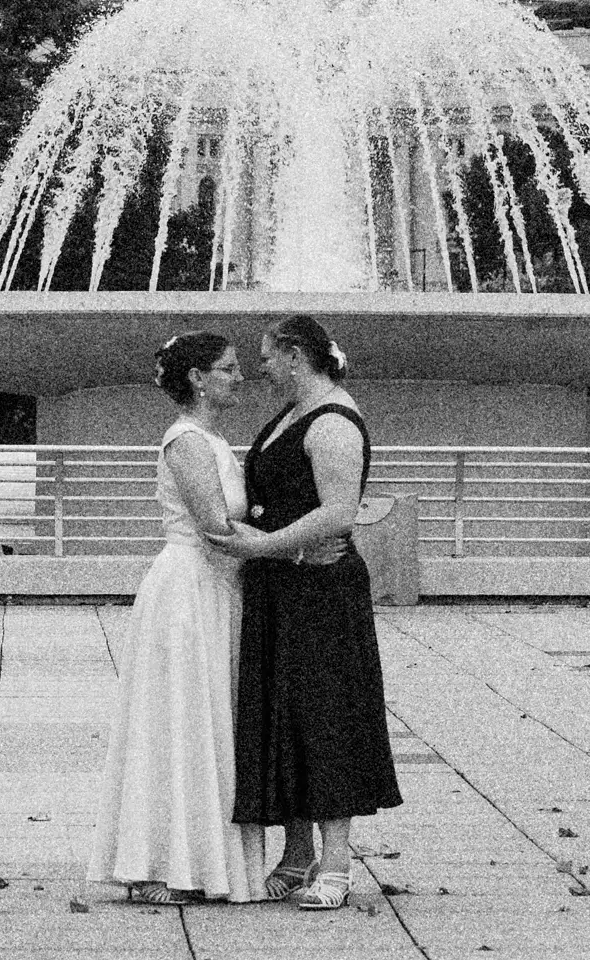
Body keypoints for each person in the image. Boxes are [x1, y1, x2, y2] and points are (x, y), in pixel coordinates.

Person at [215, 312, 402, 912]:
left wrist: (262, 544)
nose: (261, 368)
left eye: (267, 357)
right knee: (281, 714)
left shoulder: (334, 421)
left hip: (321, 591)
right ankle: (296, 855)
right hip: (280, 586)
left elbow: (340, 512)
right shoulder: (291, 417)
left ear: (296, 356)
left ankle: (338, 864)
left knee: (325, 715)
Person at [88, 331, 265, 906]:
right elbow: (214, 526)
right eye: (228, 368)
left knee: (207, 717)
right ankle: (163, 862)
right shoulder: (186, 441)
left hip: (217, 586)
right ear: (196, 378)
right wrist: (294, 547)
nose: (239, 377)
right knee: (180, 717)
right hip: (188, 589)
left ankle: (198, 858)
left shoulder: (213, 440)